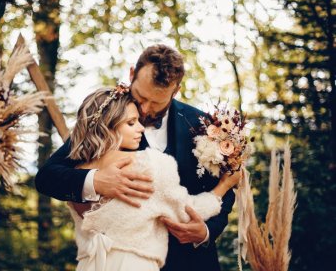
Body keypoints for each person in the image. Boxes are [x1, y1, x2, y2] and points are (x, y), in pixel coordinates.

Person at [35, 44, 236, 270]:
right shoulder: (108, 120)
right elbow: (47, 177)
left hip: (193, 262)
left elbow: (225, 188)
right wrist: (96, 180)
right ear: (132, 74)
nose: (145, 110)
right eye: (140, 97)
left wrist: (206, 232)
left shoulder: (203, 126)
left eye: (157, 102)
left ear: (175, 91)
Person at [63, 87, 241, 270]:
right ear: (106, 127)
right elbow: (188, 212)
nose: (141, 127)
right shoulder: (150, 164)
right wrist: (224, 185)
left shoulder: (77, 173)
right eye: (131, 123)